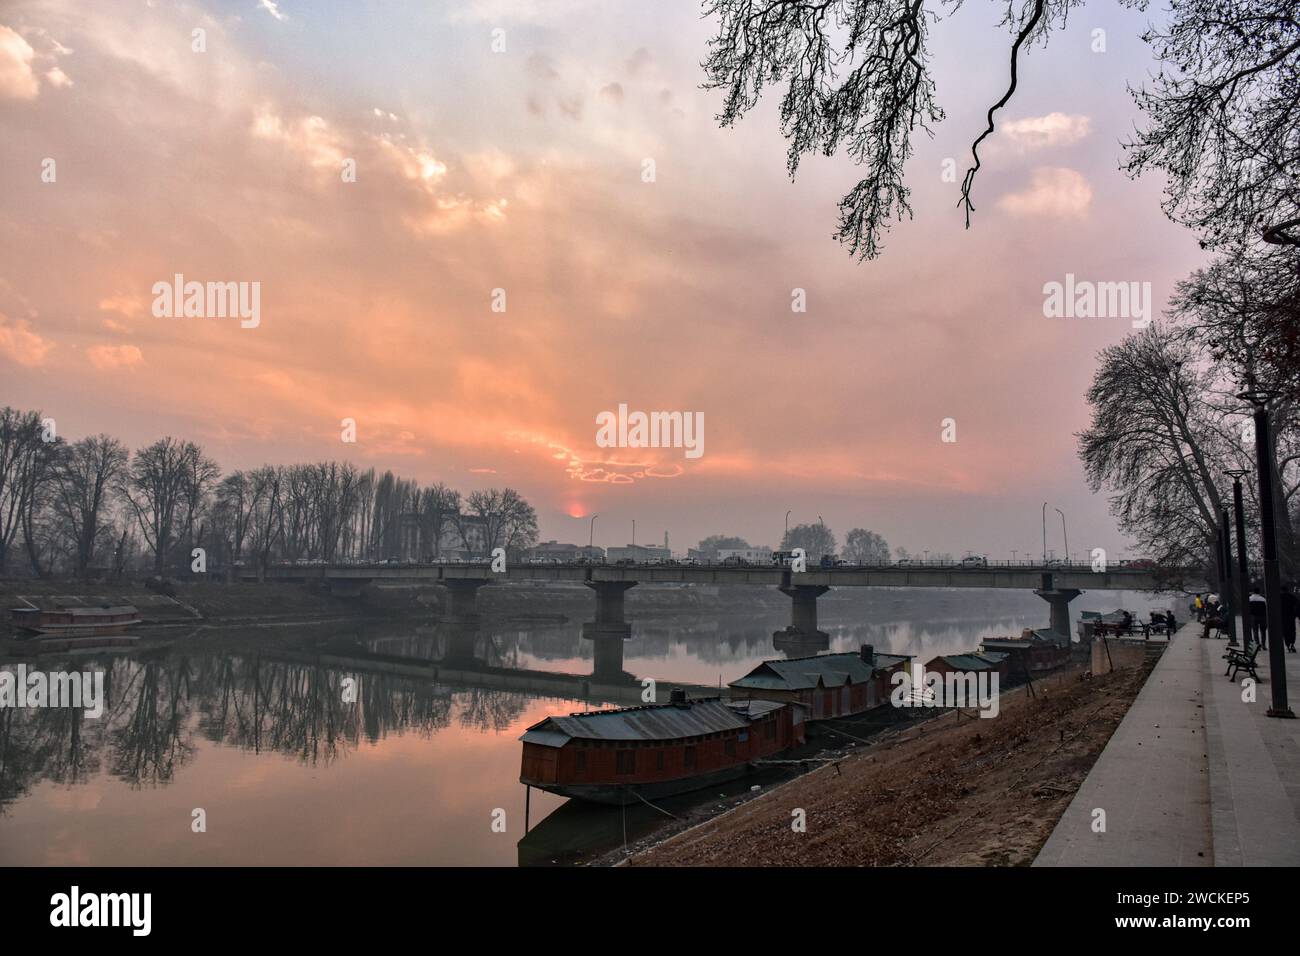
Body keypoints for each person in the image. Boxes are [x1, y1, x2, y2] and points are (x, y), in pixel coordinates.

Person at [1281, 584, 1298, 653]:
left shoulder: (1279, 597)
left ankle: (1287, 644)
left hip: (1283, 617)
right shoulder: (1292, 597)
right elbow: (1297, 606)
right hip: (1291, 617)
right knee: (1292, 631)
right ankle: (1292, 643)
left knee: (1285, 631)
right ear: (1287, 590)